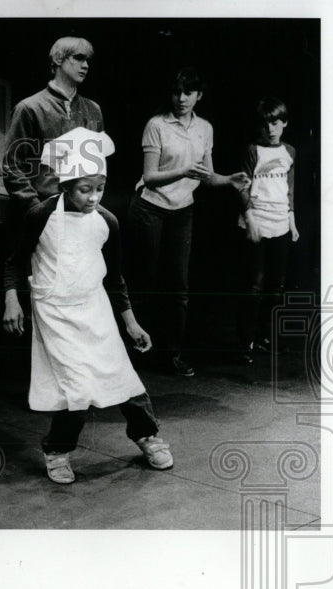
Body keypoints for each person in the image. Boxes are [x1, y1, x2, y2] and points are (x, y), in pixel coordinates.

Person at [3, 127, 173, 484]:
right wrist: (11, 300)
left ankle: (148, 435)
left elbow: (115, 279)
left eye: (100, 188)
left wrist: (131, 323)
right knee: (76, 388)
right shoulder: (40, 216)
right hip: (56, 314)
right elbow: (14, 262)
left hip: (95, 309)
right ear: (65, 186)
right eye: (85, 189)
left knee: (123, 377)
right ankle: (57, 450)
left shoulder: (107, 222)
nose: (94, 197)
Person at [125, 67, 250, 377]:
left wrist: (229, 180)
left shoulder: (204, 128)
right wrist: (183, 172)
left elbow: (206, 178)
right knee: (146, 281)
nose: (181, 98)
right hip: (149, 208)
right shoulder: (156, 125)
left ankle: (172, 354)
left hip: (183, 211)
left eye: (188, 93)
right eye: (176, 92)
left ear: (199, 96)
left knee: (178, 285)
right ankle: (135, 352)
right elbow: (150, 177)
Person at [3, 36, 104, 222]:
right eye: (79, 58)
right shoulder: (29, 108)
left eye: (88, 60)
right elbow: (12, 167)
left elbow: (97, 166)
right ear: (58, 59)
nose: (86, 65)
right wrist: (35, 208)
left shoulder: (93, 110)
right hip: (45, 209)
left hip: (83, 210)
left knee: (111, 226)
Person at [235, 96, 300, 364]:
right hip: (257, 222)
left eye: (275, 123)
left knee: (276, 286)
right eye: (266, 124)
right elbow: (242, 186)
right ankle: (245, 342)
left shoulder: (290, 152)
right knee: (255, 285)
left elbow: (290, 188)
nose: (270, 129)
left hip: (281, 223)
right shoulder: (253, 150)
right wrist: (249, 218)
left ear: (284, 123)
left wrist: (292, 220)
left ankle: (265, 337)